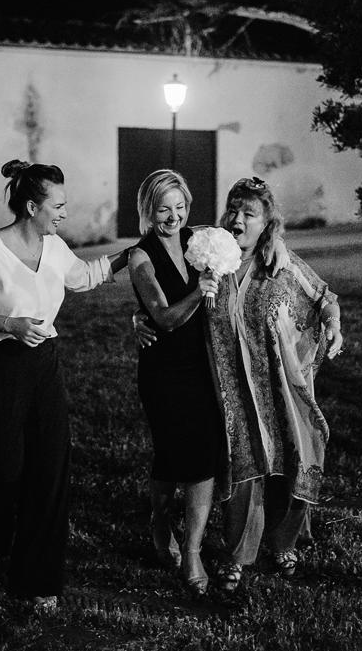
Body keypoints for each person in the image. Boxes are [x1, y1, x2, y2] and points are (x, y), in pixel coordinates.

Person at [141, 176, 344, 593]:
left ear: (266, 223)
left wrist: (334, 328)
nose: (237, 219)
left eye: (249, 213)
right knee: (243, 465)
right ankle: (237, 555)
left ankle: (283, 542)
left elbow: (324, 297)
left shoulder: (281, 264)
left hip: (279, 387)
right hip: (229, 388)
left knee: (291, 455)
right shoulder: (210, 258)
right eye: (233, 209)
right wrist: (138, 320)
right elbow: (170, 293)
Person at [0, 159, 129, 615]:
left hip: (43, 367)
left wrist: (133, 253)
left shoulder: (55, 246)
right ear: (32, 206)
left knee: (49, 472)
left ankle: (38, 579)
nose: (65, 213)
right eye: (58, 205)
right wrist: (6, 323)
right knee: (2, 471)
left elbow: (83, 278)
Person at [126, 170, 223, 596]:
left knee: (202, 456)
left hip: (202, 365)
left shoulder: (198, 240)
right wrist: (199, 292)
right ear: (149, 210)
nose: (174, 216)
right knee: (170, 457)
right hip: (163, 372)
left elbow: (243, 252)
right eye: (164, 208)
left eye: (180, 207)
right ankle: (160, 519)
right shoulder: (139, 256)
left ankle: (194, 550)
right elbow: (163, 318)